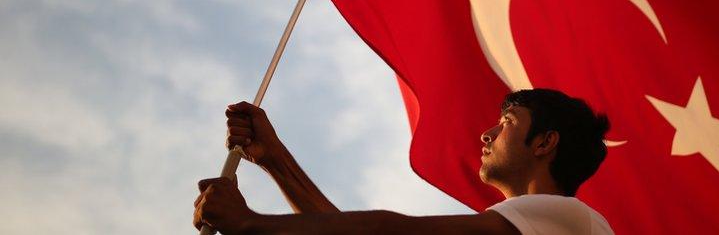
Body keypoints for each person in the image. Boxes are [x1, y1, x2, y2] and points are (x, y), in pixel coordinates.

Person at [193, 89, 614, 234]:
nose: (486, 134)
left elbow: (390, 230)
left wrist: (252, 223)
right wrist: (275, 160)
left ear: (545, 143)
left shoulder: (569, 218)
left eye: (507, 122)